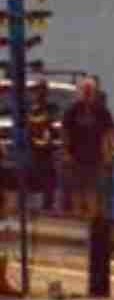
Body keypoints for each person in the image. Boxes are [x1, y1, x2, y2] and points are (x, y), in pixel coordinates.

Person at [59, 76, 114, 222]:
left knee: (93, 190)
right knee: (77, 189)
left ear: (95, 92)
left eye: (90, 90)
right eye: (85, 90)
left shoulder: (102, 111)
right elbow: (65, 133)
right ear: (80, 91)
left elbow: (108, 133)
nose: (87, 93)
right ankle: (77, 219)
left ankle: (91, 220)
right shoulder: (72, 111)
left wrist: (108, 153)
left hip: (95, 158)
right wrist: (66, 152)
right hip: (76, 157)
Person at [25, 80, 56, 212]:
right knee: (32, 177)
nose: (40, 93)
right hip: (33, 150)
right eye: (38, 90)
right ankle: (32, 206)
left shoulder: (51, 108)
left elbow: (52, 128)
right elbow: (31, 126)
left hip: (49, 151)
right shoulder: (32, 109)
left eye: (43, 90)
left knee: (48, 179)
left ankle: (47, 206)